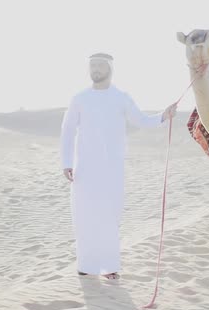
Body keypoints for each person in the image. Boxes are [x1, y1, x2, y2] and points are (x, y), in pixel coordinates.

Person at [60, 52, 177, 280]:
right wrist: (66, 162)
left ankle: (109, 266)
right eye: (92, 65)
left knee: (110, 217)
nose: (95, 69)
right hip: (83, 169)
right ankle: (86, 265)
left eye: (100, 65)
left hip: (112, 169)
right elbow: (67, 130)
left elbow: (141, 120)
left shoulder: (121, 97)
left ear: (109, 68)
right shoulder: (79, 98)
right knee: (84, 216)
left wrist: (164, 116)